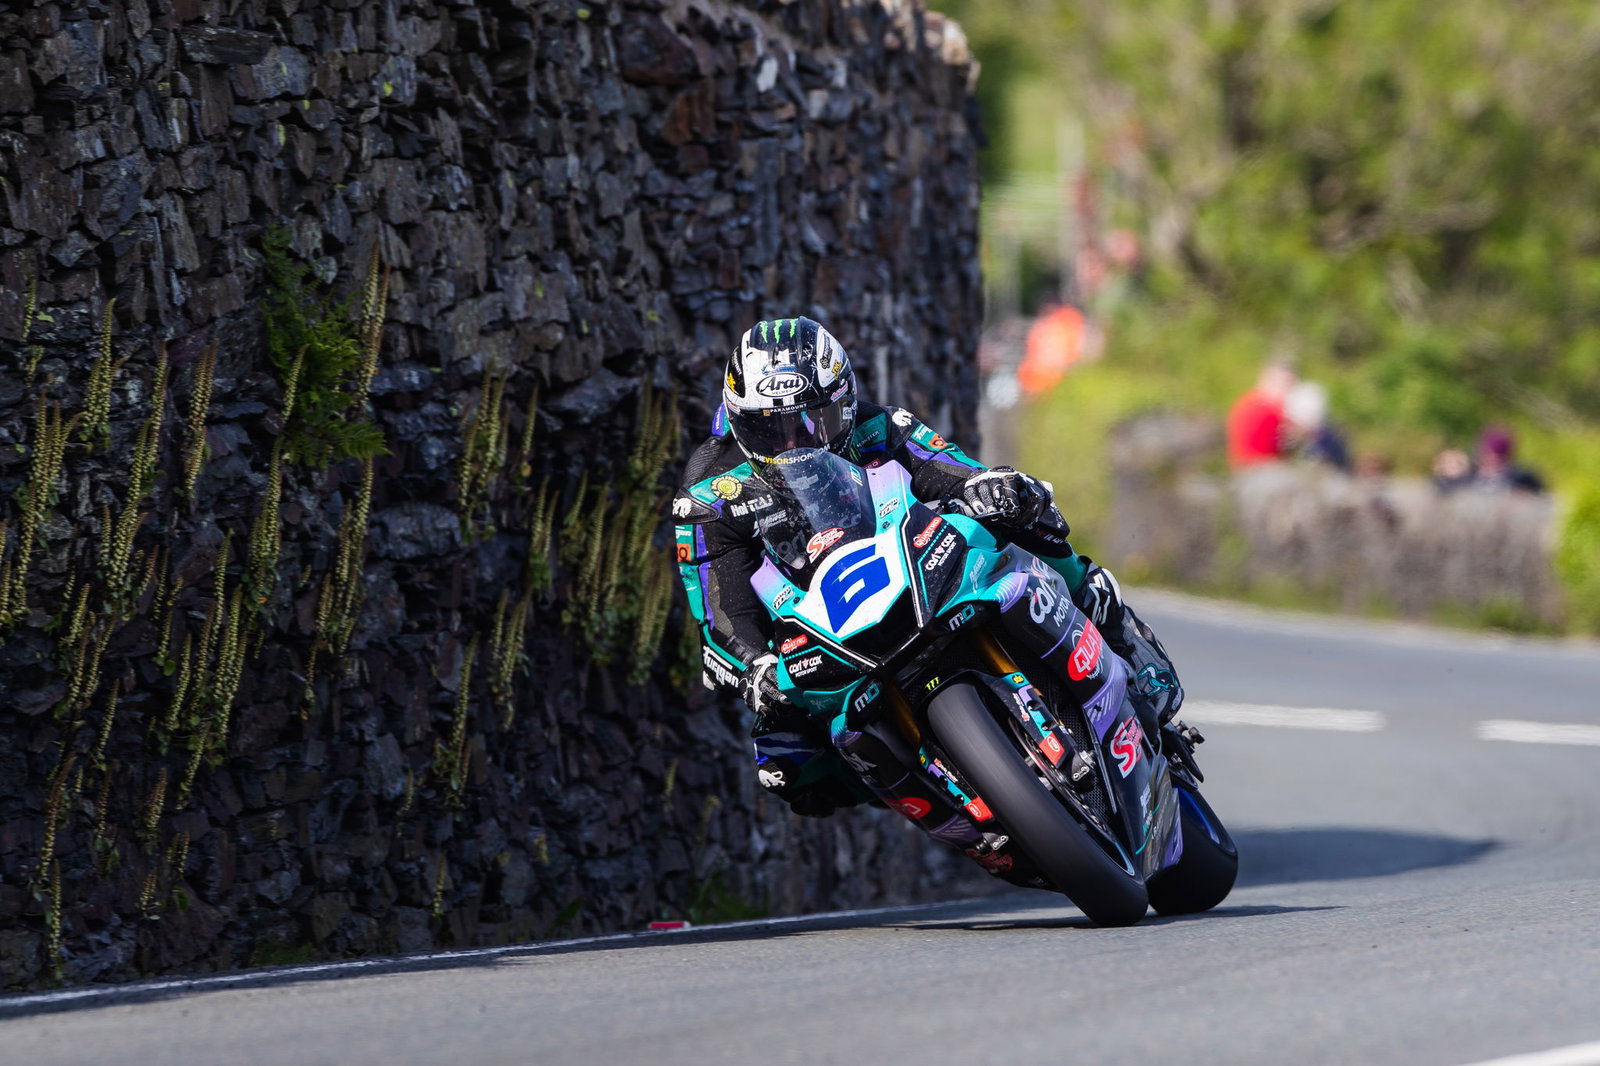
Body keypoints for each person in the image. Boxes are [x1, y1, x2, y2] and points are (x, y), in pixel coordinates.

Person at [672, 316, 1184, 824]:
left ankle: (1116, 630)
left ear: (845, 401)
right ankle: (949, 802)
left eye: (814, 421)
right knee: (789, 767)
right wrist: (752, 665)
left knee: (1021, 513)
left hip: (909, 566)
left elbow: (950, 470)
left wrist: (990, 488)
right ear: (739, 422)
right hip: (813, 627)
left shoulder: (879, 426)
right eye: (770, 428)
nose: (795, 442)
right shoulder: (709, 498)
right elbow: (719, 608)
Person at [1226, 362, 1296, 468]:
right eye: (1286, 384)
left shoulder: (1246, 402)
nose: (1287, 391)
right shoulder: (1268, 408)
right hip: (1262, 469)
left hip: (1243, 468)